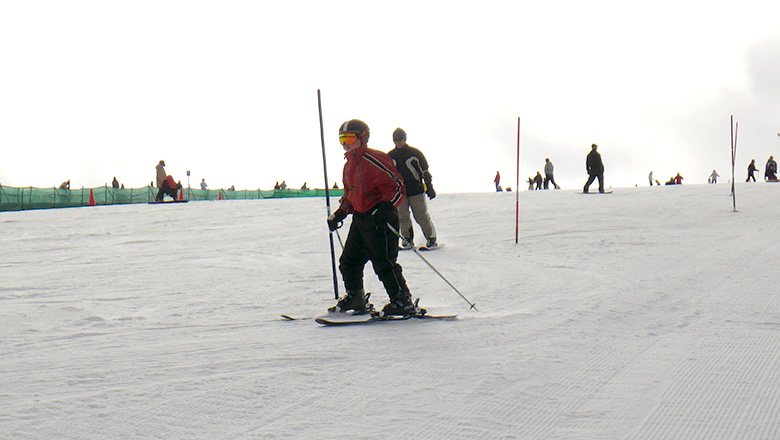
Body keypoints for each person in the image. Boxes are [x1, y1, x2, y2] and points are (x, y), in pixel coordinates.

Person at [326, 119, 421, 317]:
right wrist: (340, 213)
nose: (345, 143)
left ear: (363, 138)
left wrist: (386, 207)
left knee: (383, 262)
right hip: (361, 219)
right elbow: (351, 194)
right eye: (342, 139)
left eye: (350, 138)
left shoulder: (374, 158)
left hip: (380, 218)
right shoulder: (348, 166)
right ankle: (356, 297)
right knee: (349, 261)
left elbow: (396, 185)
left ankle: (402, 300)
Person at [387, 127, 438, 249]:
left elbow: (425, 171)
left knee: (420, 215)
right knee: (403, 216)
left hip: (416, 190)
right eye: (396, 140)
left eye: (401, 139)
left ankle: (431, 238)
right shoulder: (390, 156)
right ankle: (407, 239)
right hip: (400, 193)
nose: (399, 142)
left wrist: (429, 186)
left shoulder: (414, 153)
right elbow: (386, 175)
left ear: (405, 139)